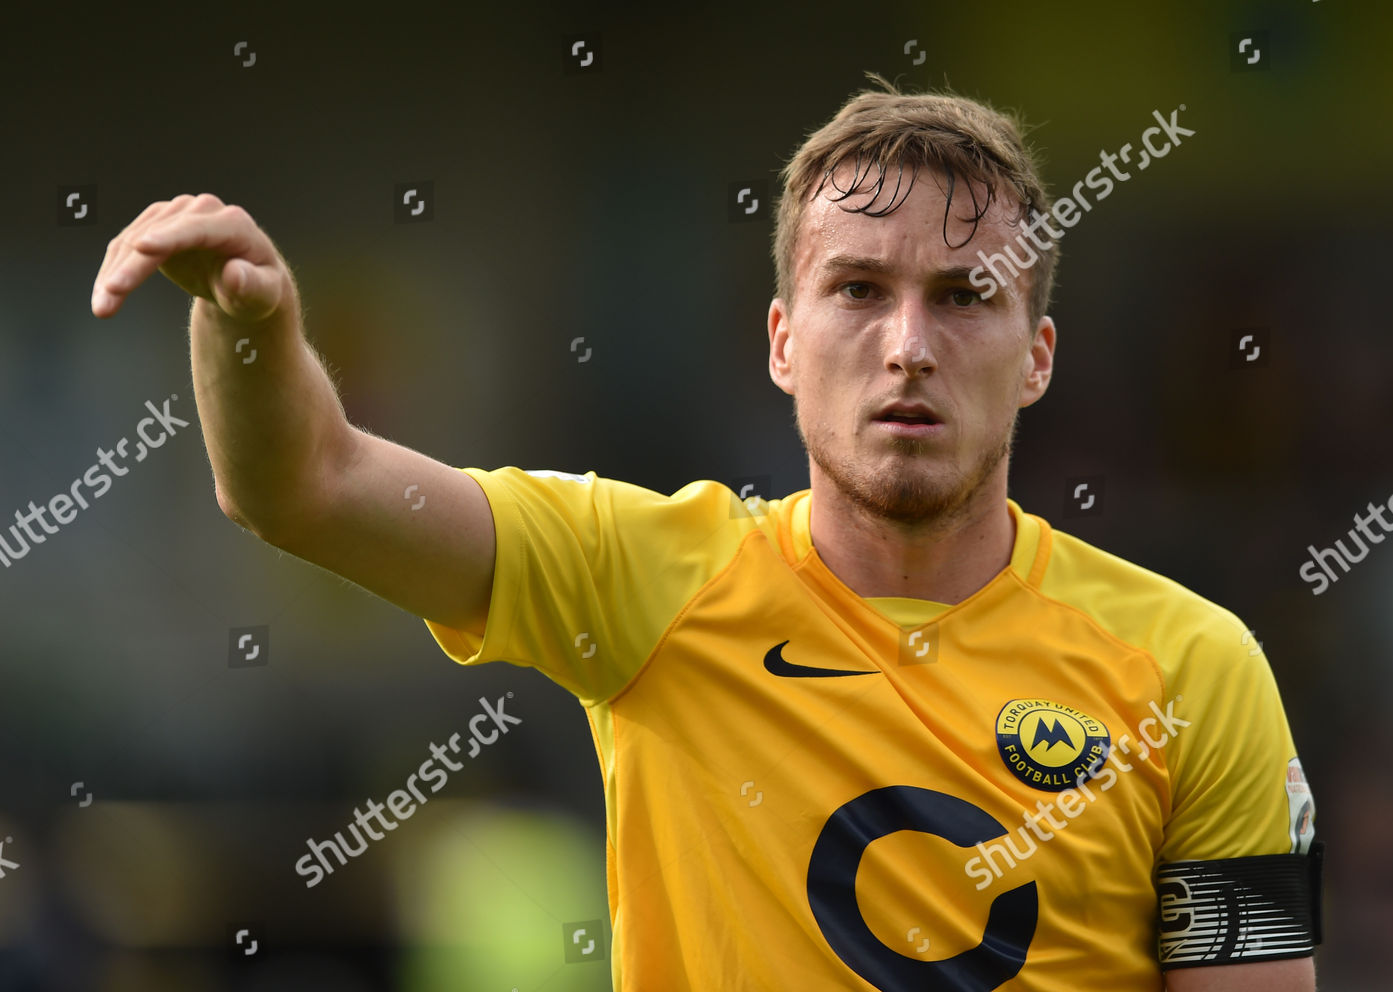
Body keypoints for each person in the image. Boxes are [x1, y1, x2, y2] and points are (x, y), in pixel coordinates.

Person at [91, 75, 1321, 992]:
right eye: (858, 289)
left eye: (963, 296)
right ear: (782, 341)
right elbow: (302, 484)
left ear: (1036, 357)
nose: (907, 343)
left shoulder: (1197, 670)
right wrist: (250, 328)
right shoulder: (642, 576)